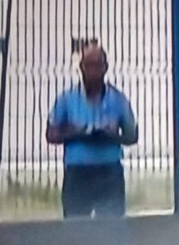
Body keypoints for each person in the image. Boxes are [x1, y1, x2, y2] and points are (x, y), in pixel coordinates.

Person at [45, 41, 139, 219]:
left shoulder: (118, 100)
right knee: (76, 228)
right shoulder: (66, 99)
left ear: (105, 67)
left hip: (109, 173)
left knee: (112, 229)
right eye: (88, 65)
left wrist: (113, 136)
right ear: (81, 68)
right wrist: (75, 132)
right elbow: (50, 134)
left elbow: (132, 135)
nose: (93, 71)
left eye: (97, 65)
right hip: (78, 173)